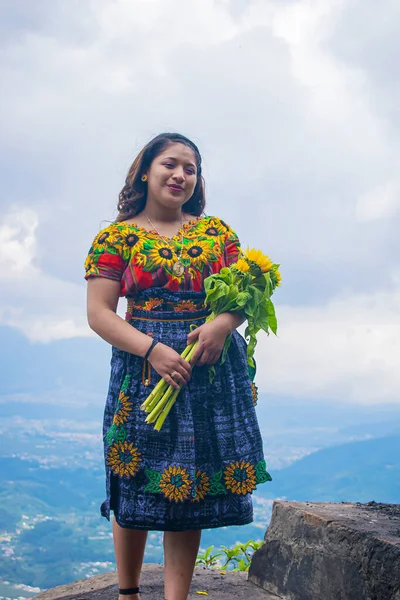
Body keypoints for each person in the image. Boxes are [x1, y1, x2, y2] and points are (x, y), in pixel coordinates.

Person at [84, 132, 271, 600]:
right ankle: (128, 592)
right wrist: (153, 350)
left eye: (190, 169)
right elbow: (99, 313)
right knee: (135, 478)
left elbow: (249, 294)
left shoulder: (217, 234)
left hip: (206, 368)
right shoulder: (116, 237)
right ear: (145, 170)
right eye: (170, 164)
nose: (180, 175)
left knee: (187, 482)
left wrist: (222, 325)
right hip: (143, 369)